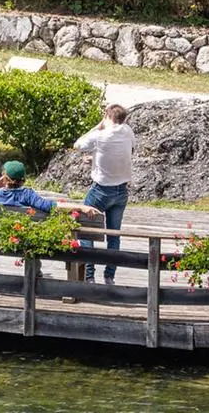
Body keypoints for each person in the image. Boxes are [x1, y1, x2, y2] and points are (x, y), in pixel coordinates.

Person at [75, 104, 135, 285]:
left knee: (85, 229)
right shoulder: (128, 132)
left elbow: (77, 145)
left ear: (108, 116)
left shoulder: (99, 135)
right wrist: (96, 157)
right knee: (114, 234)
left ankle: (89, 275)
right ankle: (110, 276)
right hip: (121, 191)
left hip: (101, 191)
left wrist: (97, 126)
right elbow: (123, 151)